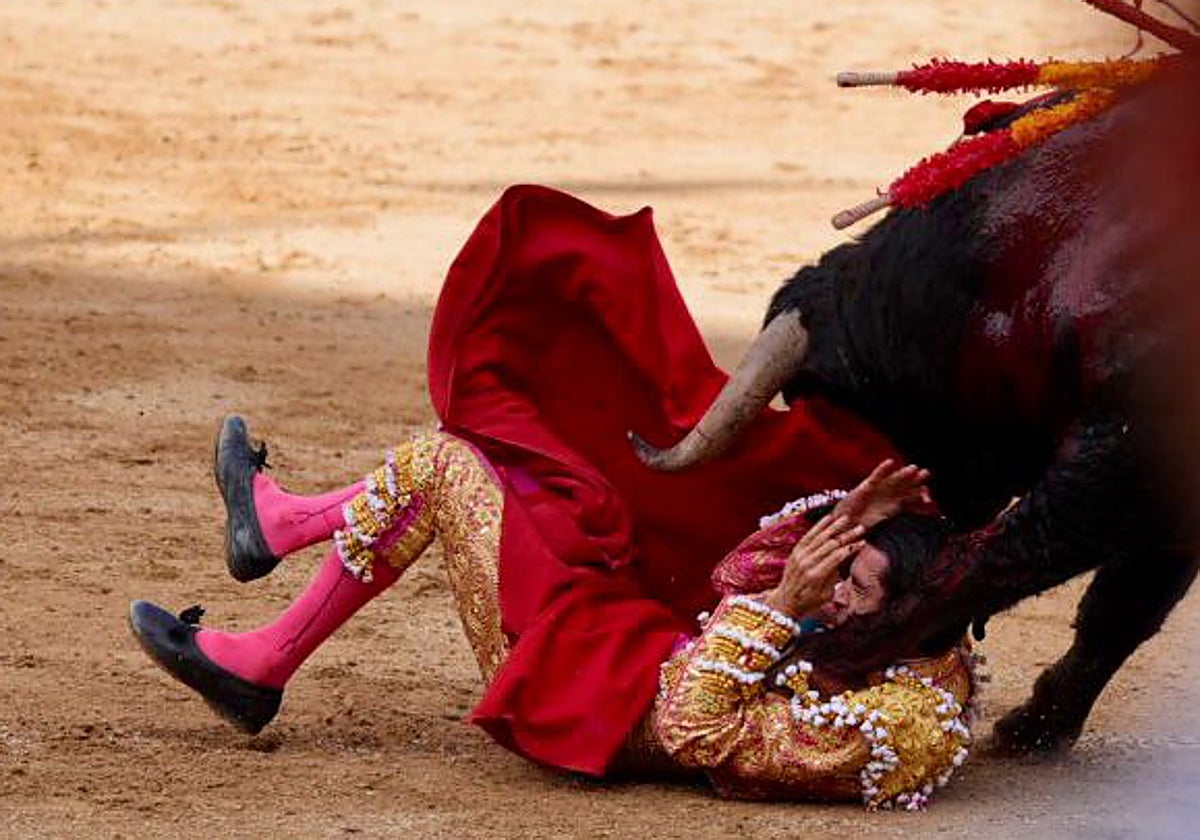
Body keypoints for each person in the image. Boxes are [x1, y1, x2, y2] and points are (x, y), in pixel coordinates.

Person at [129, 185, 975, 808]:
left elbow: (696, 730)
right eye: (843, 573)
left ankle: (270, 620)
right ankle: (273, 554)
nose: (833, 590)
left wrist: (784, 603)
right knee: (538, 474)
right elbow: (726, 585)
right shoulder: (906, 632)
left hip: (587, 698)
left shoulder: (898, 726)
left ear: (906, 610)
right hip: (629, 652)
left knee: (448, 464)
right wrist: (827, 537)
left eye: (852, 585)